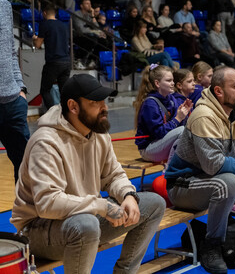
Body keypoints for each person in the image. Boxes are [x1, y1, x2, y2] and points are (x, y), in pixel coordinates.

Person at [10, 74, 166, 273]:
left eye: (104, 101)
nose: (105, 107)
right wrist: (101, 205)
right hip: (38, 229)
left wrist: (128, 195)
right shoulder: (46, 143)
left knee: (154, 204)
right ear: (74, 107)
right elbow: (48, 204)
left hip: (84, 218)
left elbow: (113, 175)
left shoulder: (98, 133)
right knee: (87, 225)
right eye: (95, 102)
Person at [165, 66, 235, 273]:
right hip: (184, 186)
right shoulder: (203, 116)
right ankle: (212, 245)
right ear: (218, 91)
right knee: (227, 181)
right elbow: (214, 165)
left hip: (215, 181)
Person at [134, 65, 192, 162]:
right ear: (157, 83)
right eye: (169, 81)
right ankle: (171, 170)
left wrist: (184, 116)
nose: (172, 83)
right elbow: (159, 133)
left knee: (189, 130)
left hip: (162, 143)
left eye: (173, 80)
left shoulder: (171, 99)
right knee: (182, 130)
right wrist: (178, 118)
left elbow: (176, 128)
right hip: (149, 149)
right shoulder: (150, 104)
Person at [0, 0, 30, 184]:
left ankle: (27, 214)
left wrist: (21, 88)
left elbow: (11, 51)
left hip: (13, 101)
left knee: (27, 169)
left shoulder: (4, 6)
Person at [32, 4, 71, 110]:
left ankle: (52, 114)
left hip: (53, 62)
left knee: (45, 90)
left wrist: (34, 38)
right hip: (66, 61)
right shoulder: (63, 25)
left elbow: (38, 45)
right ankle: (67, 114)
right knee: (64, 91)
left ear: (44, 13)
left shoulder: (45, 24)